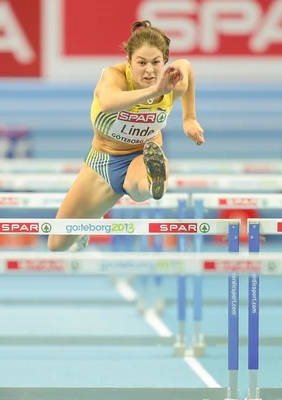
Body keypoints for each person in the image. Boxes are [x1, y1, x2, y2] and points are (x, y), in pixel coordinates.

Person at [47, 20, 204, 252]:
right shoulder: (114, 76)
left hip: (143, 154)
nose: (149, 70)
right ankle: (88, 225)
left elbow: (187, 66)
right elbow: (109, 103)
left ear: (165, 62)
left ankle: (152, 181)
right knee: (57, 244)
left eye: (156, 62)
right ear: (129, 62)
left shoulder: (173, 82)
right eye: (141, 62)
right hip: (103, 161)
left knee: (145, 187)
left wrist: (189, 118)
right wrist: (155, 90)